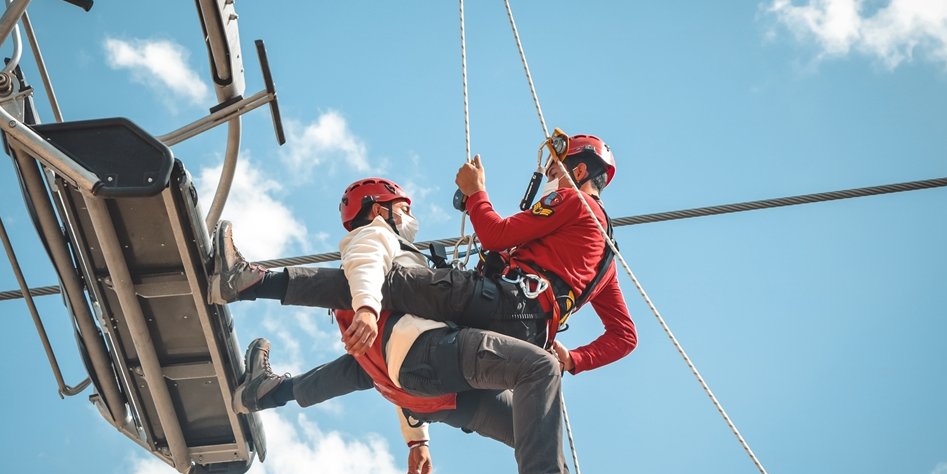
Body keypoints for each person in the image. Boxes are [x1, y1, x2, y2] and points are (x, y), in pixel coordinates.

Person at [225, 176, 619, 474]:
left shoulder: (385, 315)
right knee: (539, 369)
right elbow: (362, 266)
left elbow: (374, 371)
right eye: (403, 208)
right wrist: (364, 307)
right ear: (381, 209)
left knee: (535, 426)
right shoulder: (380, 237)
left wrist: (416, 438)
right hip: (432, 367)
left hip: (419, 386)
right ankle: (253, 282)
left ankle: (268, 391)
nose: (410, 215)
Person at [208, 133, 637, 376]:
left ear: (578, 171)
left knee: (377, 284)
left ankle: (250, 282)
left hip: (501, 304)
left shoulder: (572, 203)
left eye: (556, 168)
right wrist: (574, 358)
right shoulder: (605, 259)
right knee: (394, 348)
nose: (550, 178)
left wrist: (475, 193)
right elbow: (624, 337)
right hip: (528, 337)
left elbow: (494, 234)